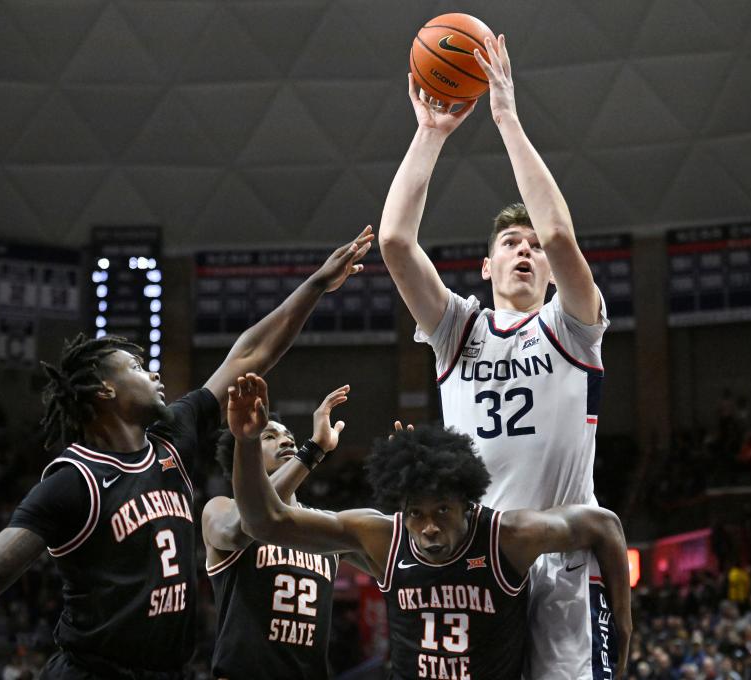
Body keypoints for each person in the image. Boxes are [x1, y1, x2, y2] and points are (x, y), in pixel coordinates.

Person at [0, 228, 374, 679]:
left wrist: (316, 285)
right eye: (134, 366)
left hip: (166, 670)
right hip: (92, 669)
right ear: (103, 389)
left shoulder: (174, 434)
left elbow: (248, 355)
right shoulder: (75, 479)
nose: (152, 373)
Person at [378, 35, 611, 679]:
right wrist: (430, 133)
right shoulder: (458, 328)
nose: (527, 251)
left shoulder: (574, 326)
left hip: (561, 561)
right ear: (486, 264)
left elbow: (561, 234)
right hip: (473, 557)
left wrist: (506, 116)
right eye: (511, 241)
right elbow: (396, 241)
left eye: (533, 245)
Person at [226, 373, 631, 680]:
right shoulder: (384, 537)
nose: (429, 527)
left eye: (442, 511)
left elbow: (605, 526)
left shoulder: (506, 537)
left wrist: (623, 630)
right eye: (416, 513)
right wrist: (245, 444)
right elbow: (263, 522)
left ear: (469, 505)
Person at [203, 386, 353, 680]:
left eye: (289, 437)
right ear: (242, 454)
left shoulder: (324, 524)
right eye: (269, 436)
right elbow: (250, 523)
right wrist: (313, 450)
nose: (285, 439)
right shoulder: (220, 509)